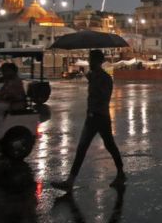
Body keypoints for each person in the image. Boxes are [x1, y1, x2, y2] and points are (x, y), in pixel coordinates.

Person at [52, 50, 126, 192]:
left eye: (92, 60)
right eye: (89, 59)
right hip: (91, 116)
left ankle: (120, 173)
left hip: (101, 117)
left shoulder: (105, 78)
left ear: (98, 61)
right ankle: (71, 180)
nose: (89, 62)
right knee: (83, 148)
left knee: (108, 145)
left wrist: (94, 83)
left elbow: (105, 97)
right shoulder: (93, 76)